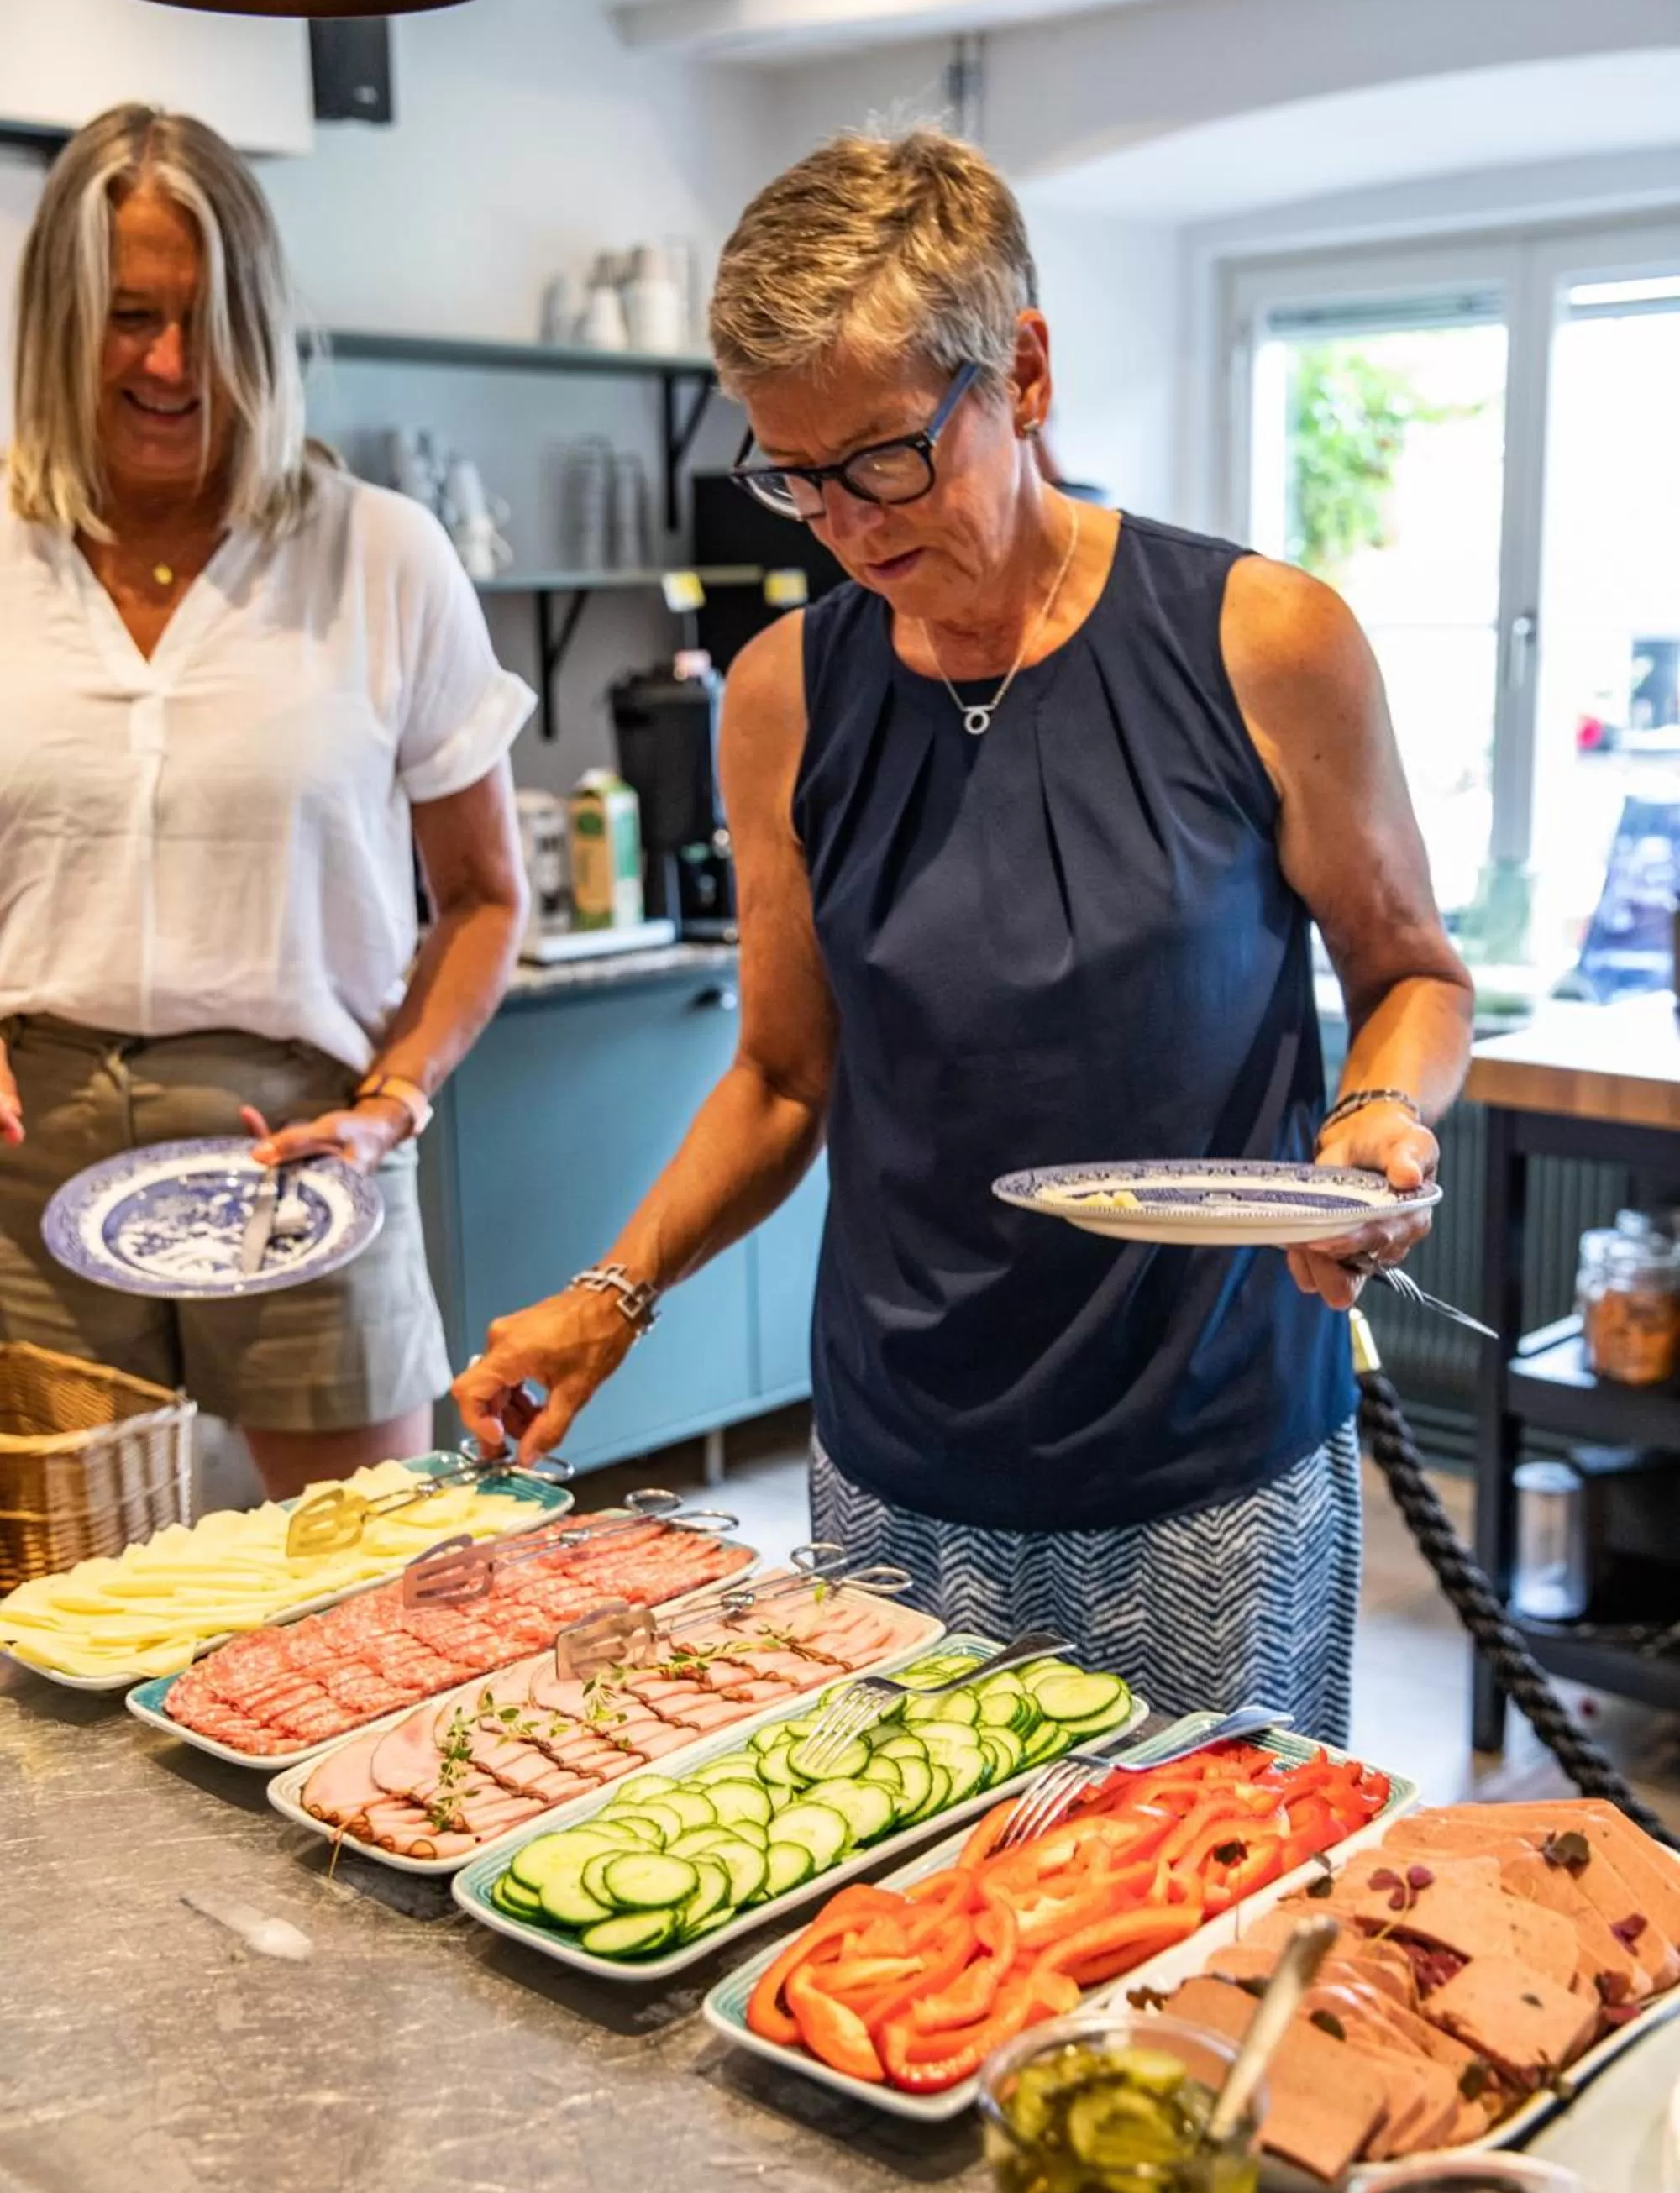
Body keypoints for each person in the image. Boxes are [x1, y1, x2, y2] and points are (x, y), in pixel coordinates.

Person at [454, 129, 1473, 1739]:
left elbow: (1411, 970)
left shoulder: (1264, 641)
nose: (845, 526)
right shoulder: (785, 695)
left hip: (1206, 1471)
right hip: (896, 1467)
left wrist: (1375, 1119)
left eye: (883, 458)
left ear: (1025, 374)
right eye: (793, 475)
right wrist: (616, 1291)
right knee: (906, 1890)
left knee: (1200, 1893)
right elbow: (784, 1078)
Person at [0, 104, 533, 1498]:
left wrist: (395, 1102)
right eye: (130, 317)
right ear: (57, 321)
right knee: (54, 1596)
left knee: (354, 1579)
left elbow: (485, 896)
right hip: (25, 1153)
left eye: (212, 318)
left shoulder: (382, 554)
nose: (174, 364)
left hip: (305, 1146)